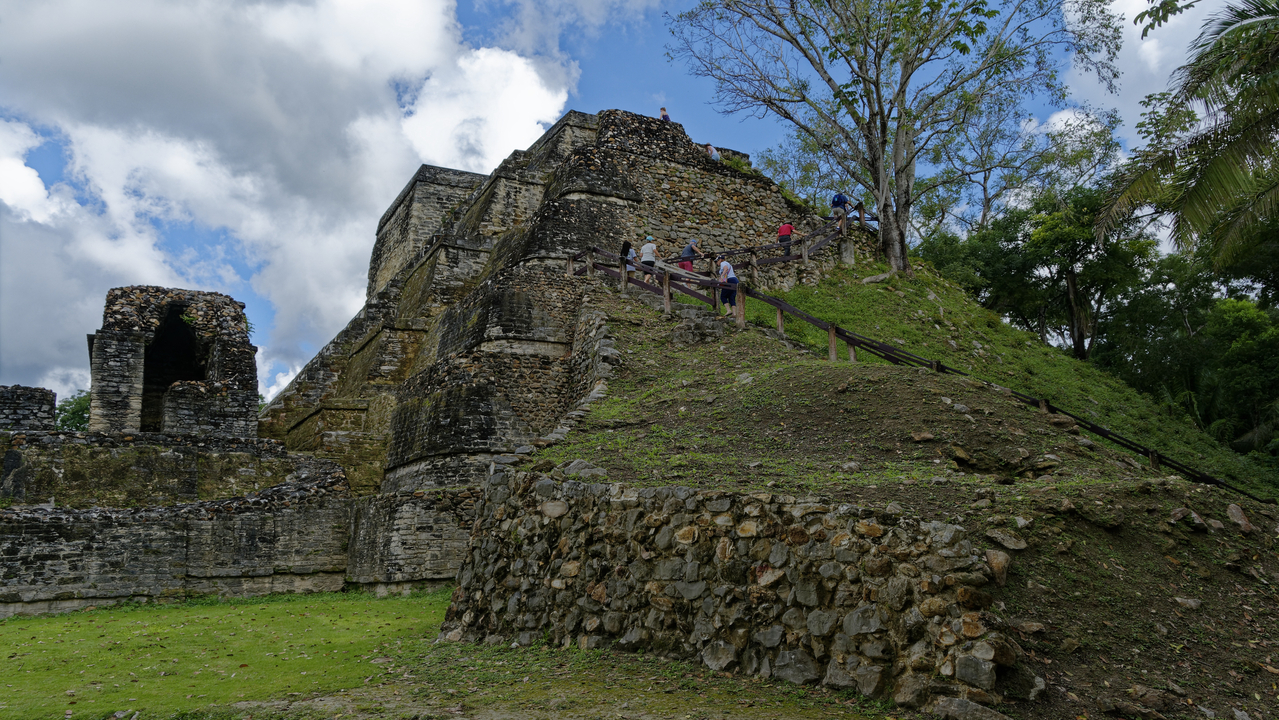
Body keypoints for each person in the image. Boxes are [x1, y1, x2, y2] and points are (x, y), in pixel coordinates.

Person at [716, 254, 738, 319]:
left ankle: (728, 310)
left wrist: (722, 276)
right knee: (731, 297)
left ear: (720, 260)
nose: (716, 263)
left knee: (723, 296)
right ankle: (734, 313)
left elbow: (726, 269)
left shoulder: (723, 263)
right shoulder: (728, 263)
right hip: (735, 280)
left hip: (729, 280)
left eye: (717, 261)